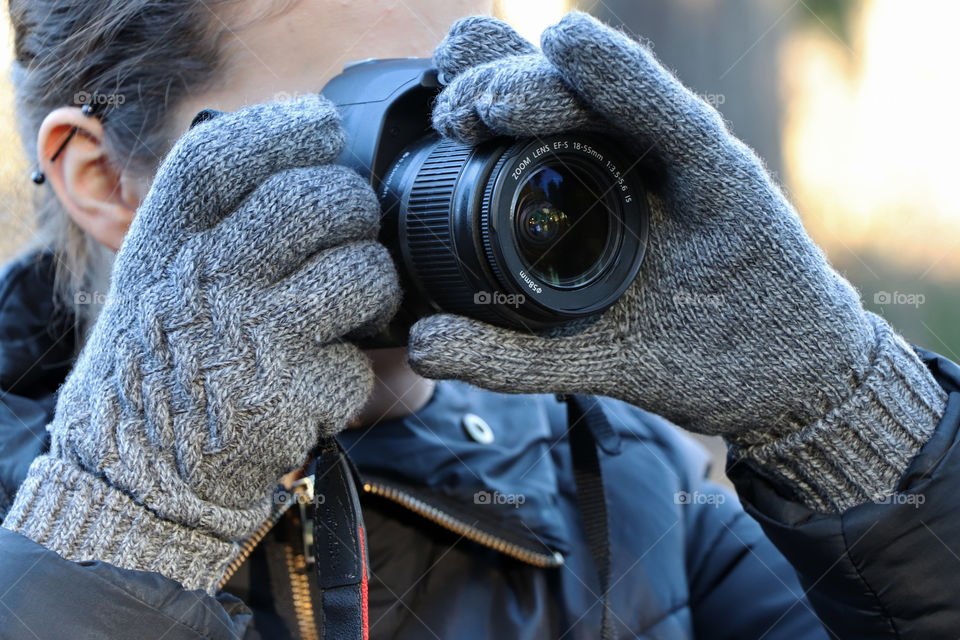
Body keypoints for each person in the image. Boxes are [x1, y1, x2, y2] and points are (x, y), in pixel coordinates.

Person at [0, 1, 957, 638]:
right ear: (105, 177)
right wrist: (123, 534)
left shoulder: (621, 481)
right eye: (366, 121)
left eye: (459, 119)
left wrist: (842, 413)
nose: (459, 184)